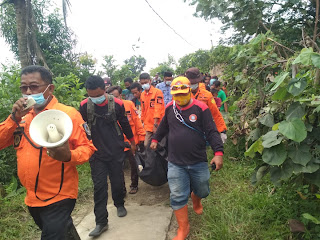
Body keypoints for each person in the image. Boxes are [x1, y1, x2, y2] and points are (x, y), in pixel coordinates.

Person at [0, 65, 96, 240]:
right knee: (62, 232)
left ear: (50, 88)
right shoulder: (20, 118)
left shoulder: (68, 114)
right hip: (32, 198)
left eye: (34, 86)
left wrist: (69, 156)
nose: (28, 92)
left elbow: (88, 148)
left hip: (60, 195)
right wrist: (13, 118)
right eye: (24, 87)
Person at [150, 76, 224, 240]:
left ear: (189, 90)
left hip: (198, 160)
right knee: (177, 195)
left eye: (183, 93)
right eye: (177, 95)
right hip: (175, 161)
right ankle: (183, 228)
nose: (180, 97)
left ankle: (196, 199)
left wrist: (218, 153)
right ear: (172, 94)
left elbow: (212, 131)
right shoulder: (170, 108)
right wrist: (155, 139)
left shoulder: (201, 108)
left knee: (202, 189)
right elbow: (163, 127)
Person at [79, 76, 136, 237]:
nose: (94, 98)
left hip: (115, 150)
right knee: (99, 187)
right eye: (91, 95)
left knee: (117, 180)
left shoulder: (117, 104)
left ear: (104, 90)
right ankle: (101, 222)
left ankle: (119, 204)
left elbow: (125, 124)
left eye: (97, 95)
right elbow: (81, 128)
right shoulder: (84, 106)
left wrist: (132, 142)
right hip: (96, 153)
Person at [107, 86, 145, 194]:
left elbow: (137, 121)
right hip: (116, 142)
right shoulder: (107, 108)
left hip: (130, 141)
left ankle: (134, 185)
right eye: (111, 97)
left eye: (115, 96)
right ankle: (121, 189)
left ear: (120, 95)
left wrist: (141, 136)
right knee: (118, 168)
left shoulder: (129, 104)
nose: (114, 99)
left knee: (134, 164)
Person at [185, 67, 227, 143]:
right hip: (186, 130)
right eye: (191, 83)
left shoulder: (207, 95)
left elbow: (215, 113)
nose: (193, 85)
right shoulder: (182, 94)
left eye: (195, 83)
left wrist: (222, 130)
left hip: (202, 129)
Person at [139, 72, 165, 147]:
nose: (144, 84)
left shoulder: (157, 92)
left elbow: (158, 108)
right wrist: (142, 122)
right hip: (147, 125)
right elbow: (143, 110)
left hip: (158, 124)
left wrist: (155, 124)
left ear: (150, 81)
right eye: (142, 83)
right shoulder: (142, 95)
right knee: (146, 145)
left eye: (145, 82)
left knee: (160, 145)